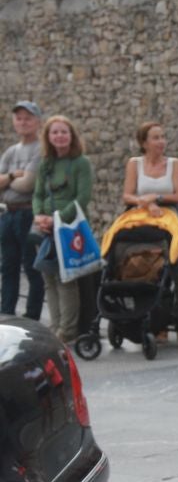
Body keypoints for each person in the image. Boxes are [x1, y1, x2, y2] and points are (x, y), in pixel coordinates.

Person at [122, 121, 178, 336]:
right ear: (144, 143)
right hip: (146, 222)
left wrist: (158, 198)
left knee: (176, 272)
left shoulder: (174, 164)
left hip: (174, 223)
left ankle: (176, 312)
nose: (161, 142)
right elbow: (127, 194)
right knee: (147, 269)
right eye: (156, 138)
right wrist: (144, 202)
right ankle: (146, 315)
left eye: (163, 137)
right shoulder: (135, 164)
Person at [31, 115, 93, 343]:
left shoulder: (80, 163)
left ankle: (67, 329)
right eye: (54, 132)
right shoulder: (45, 164)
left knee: (66, 279)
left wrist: (56, 218)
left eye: (63, 132)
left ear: (71, 135)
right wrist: (39, 216)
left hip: (68, 228)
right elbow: (37, 194)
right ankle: (55, 324)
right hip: (47, 229)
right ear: (48, 137)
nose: (59, 136)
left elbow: (82, 198)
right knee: (49, 277)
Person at [2, 101, 44, 320]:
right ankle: (6, 313)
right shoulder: (11, 151)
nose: (23, 122)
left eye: (27, 118)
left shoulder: (40, 149)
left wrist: (9, 181)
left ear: (37, 121)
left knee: (31, 267)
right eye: (19, 118)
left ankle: (32, 317)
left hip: (28, 213)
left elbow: (29, 184)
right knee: (8, 267)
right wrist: (12, 176)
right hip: (8, 213)